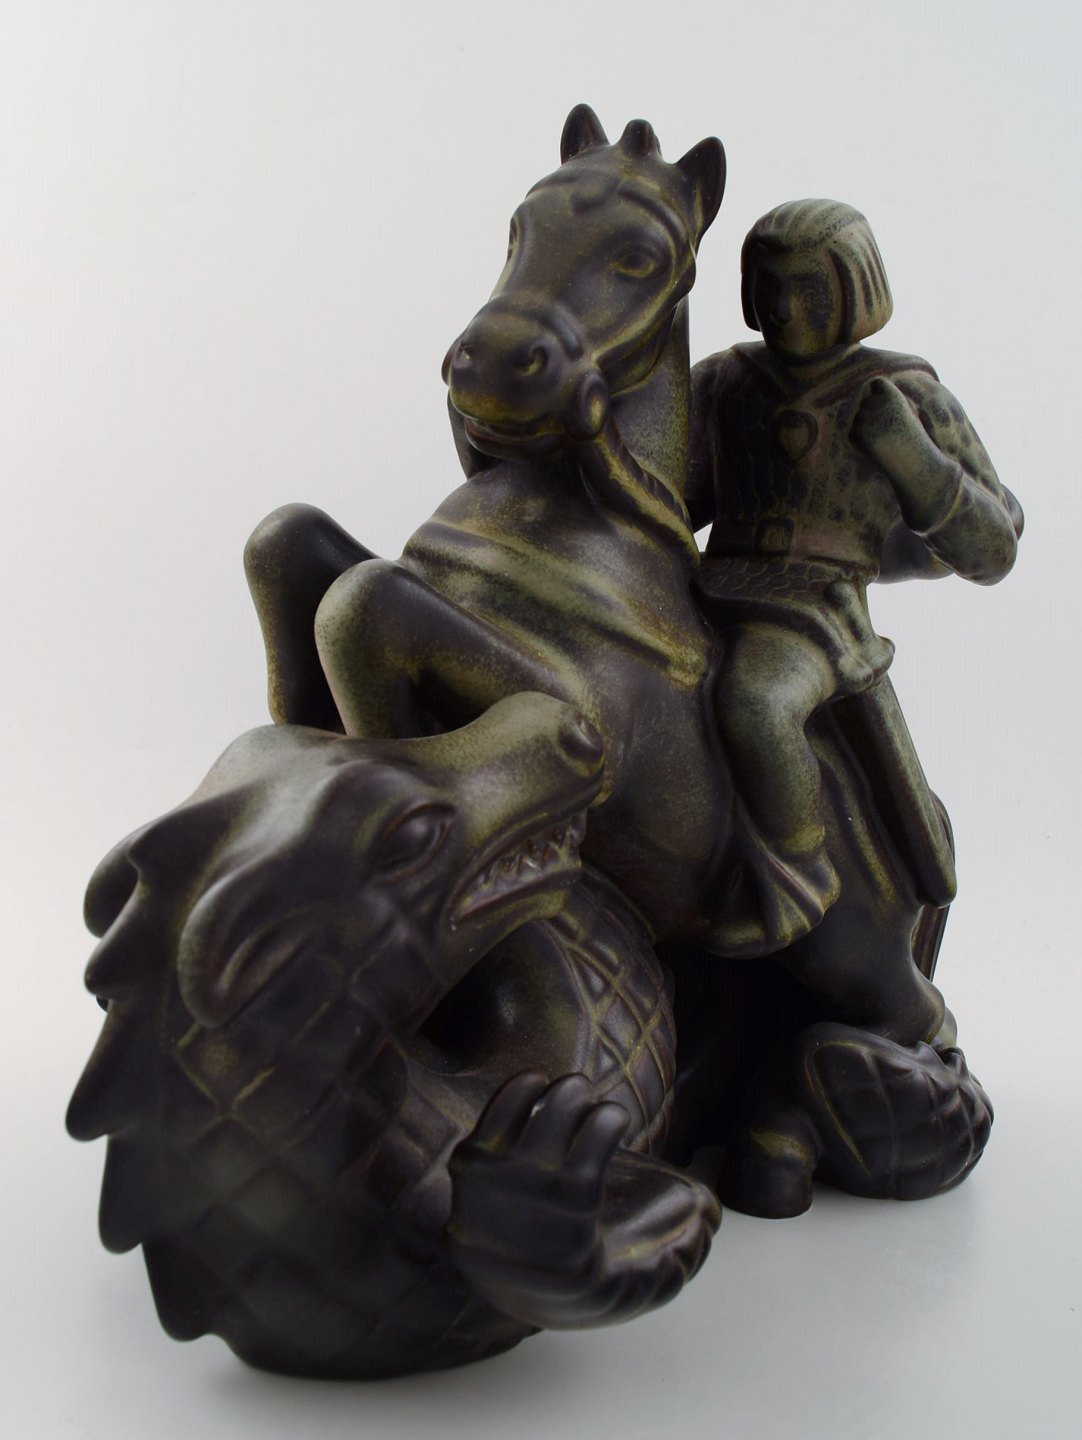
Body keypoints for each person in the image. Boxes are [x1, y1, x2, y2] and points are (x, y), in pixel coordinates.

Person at [687, 198, 1022, 956]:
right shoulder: (727, 381)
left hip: (813, 612)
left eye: (807, 288)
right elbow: (675, 495)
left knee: (757, 702)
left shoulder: (904, 392)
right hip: (703, 588)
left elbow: (993, 549)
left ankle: (795, 872)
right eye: (770, 287)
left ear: (854, 288)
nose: (784, 308)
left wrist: (912, 456)